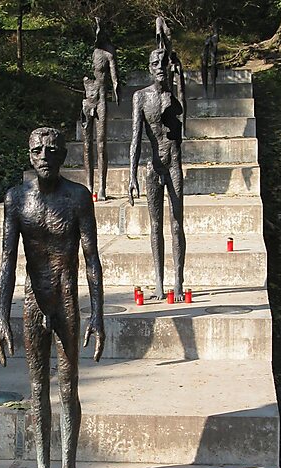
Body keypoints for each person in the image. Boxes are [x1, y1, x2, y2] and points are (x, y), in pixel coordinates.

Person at [0, 127, 105, 468]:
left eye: (52, 150)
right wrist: (1, 318)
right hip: (33, 300)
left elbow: (92, 260)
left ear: (62, 155)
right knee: (38, 388)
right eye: (37, 150)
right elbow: (7, 262)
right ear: (29, 155)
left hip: (66, 299)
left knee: (68, 387)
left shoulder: (77, 197)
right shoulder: (16, 199)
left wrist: (98, 314)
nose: (44, 156)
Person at [128, 48, 186, 300]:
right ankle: (159, 283)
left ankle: (179, 281)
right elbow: (135, 138)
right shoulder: (141, 97)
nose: (160, 67)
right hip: (153, 166)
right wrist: (131, 174)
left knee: (176, 223)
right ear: (150, 68)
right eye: (155, 64)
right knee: (155, 225)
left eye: (163, 63)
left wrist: (180, 77)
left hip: (173, 164)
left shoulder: (174, 95)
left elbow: (184, 112)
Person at [80, 17, 121, 201]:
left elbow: (115, 78)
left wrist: (117, 91)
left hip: (102, 100)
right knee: (87, 145)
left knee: (101, 144)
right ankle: (89, 187)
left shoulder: (108, 53)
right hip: (88, 99)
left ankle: (102, 187)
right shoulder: (93, 52)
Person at [202, 25, 220, 98]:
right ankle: (205, 90)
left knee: (213, 65)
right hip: (205, 55)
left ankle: (213, 89)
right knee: (204, 66)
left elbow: (214, 50)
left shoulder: (214, 36)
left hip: (212, 57)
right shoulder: (207, 36)